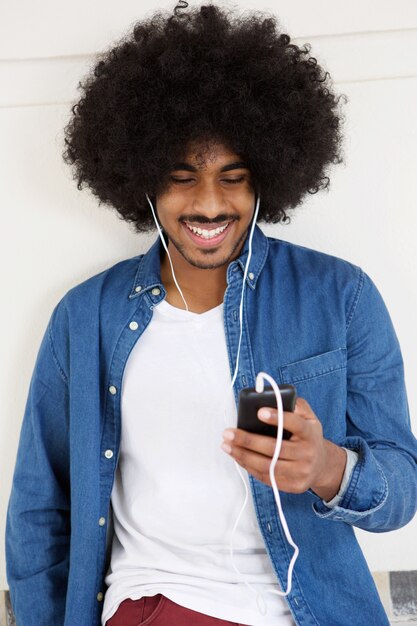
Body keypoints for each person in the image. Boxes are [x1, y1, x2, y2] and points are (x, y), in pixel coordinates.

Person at [5, 3, 417, 626]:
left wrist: (329, 467)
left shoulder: (341, 296)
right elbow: (41, 510)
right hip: (158, 605)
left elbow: (402, 488)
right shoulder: (84, 318)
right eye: (181, 177)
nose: (208, 203)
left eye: (233, 176)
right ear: (141, 179)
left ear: (265, 181)